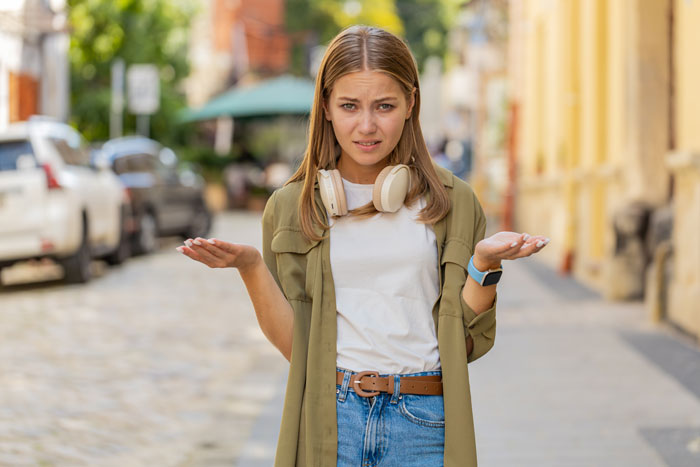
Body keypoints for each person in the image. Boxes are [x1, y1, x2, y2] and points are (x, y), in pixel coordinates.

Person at [177, 25, 549, 467]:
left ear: (411, 104)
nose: (366, 126)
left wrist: (484, 264)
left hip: (423, 421)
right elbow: (299, 350)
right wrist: (252, 267)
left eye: (385, 106)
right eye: (349, 106)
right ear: (327, 108)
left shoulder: (454, 203)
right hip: (331, 420)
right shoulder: (291, 208)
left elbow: (467, 343)